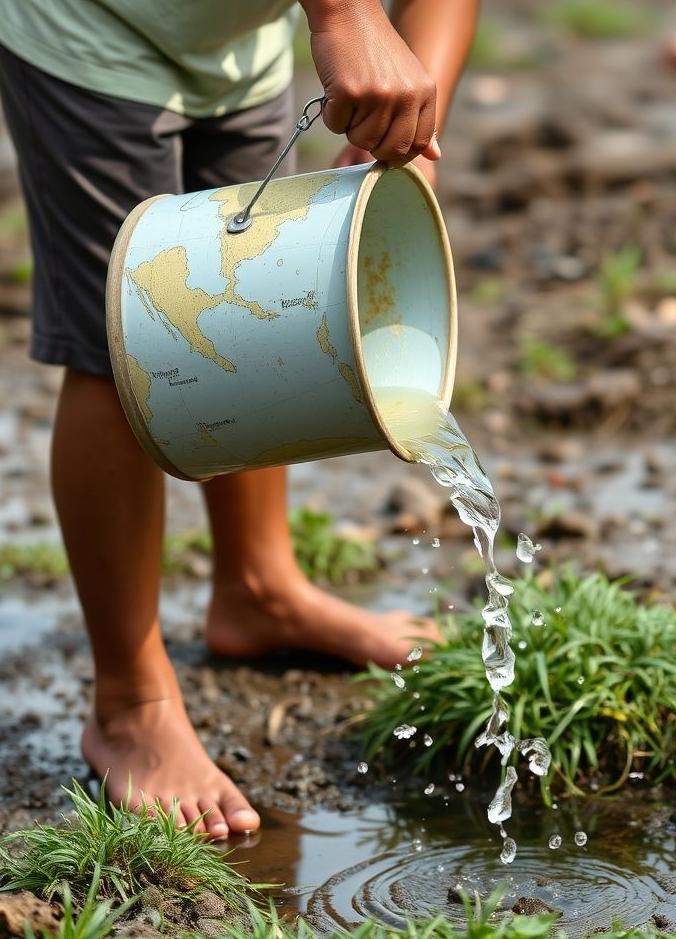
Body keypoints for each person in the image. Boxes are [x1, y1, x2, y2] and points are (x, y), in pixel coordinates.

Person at [0, 0, 478, 840]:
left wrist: (415, 116)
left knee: (251, 278)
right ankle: (129, 699)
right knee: (128, 332)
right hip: (94, 28)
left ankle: (258, 588)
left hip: (237, 40)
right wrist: (345, 15)